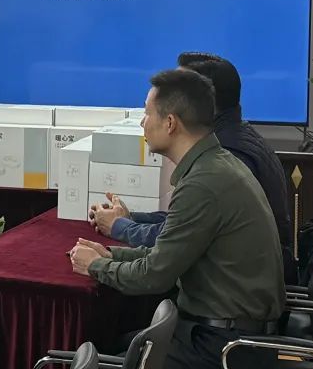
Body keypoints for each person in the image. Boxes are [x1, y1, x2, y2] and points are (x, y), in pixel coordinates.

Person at [70, 68, 285, 369]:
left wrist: (96, 267)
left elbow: (155, 275)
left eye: (147, 113)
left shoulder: (204, 182)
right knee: (119, 347)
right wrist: (111, 255)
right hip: (228, 336)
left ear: (170, 122)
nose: (142, 122)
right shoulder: (216, 165)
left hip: (227, 351)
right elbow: (170, 251)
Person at [89, 53, 297, 282]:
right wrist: (129, 222)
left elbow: (159, 266)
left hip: (229, 298)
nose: (142, 122)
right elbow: (183, 224)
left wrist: (113, 238)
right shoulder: (223, 150)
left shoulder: (220, 165)